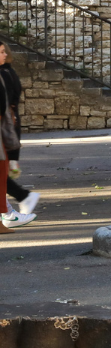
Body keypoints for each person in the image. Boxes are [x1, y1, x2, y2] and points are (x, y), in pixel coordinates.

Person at [0, 41, 37, 227]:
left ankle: (10, 210)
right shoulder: (8, 73)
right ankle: (12, 208)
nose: (4, 55)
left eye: (4, 52)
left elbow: (5, 107)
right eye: (1, 52)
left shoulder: (5, 73)